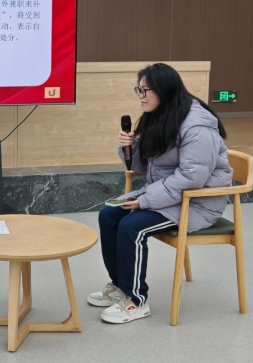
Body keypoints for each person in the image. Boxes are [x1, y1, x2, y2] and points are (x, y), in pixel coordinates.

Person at [88, 63, 233, 324]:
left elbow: (192, 178)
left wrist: (143, 200)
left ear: (164, 90)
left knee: (132, 226)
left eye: (145, 90)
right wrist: (132, 147)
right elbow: (146, 167)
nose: (141, 96)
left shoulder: (197, 127)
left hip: (197, 202)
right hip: (171, 195)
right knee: (109, 215)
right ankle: (120, 286)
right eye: (138, 90)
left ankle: (136, 301)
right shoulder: (163, 116)